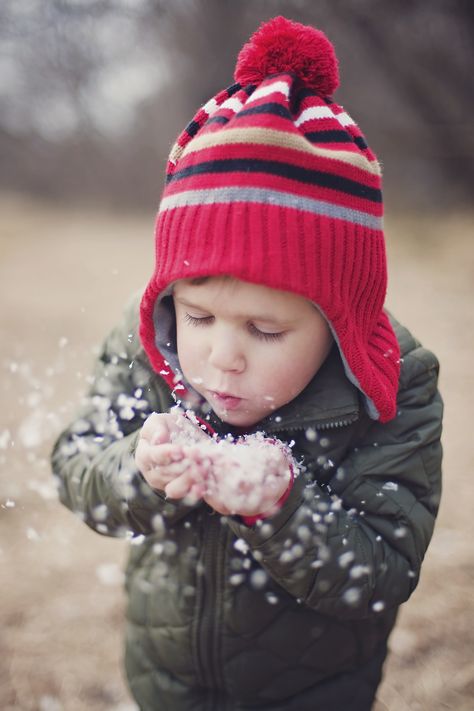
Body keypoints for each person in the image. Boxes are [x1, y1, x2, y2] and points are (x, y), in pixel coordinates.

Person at [51, 15, 443, 711]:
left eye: (265, 329)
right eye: (199, 317)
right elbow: (78, 470)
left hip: (317, 690)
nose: (221, 358)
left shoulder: (391, 389)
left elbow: (381, 572)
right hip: (166, 679)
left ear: (338, 319)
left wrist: (282, 508)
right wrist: (137, 471)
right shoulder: (149, 347)